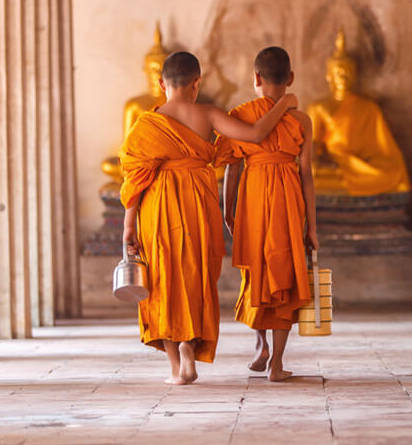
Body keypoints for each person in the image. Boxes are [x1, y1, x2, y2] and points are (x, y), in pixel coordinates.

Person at [121, 51, 297, 385]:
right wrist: (284, 104)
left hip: (157, 206)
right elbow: (257, 134)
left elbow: (135, 178)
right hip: (198, 205)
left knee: (161, 279)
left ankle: (178, 365)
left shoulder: (146, 124)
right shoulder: (209, 114)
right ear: (197, 83)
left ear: (161, 84)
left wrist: (129, 224)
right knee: (195, 275)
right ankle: (191, 341)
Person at [217, 46, 318, 382]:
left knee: (257, 272)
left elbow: (231, 168)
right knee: (284, 275)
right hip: (289, 199)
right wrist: (313, 227)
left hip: (254, 197)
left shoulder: (241, 114)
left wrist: (227, 210)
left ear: (256, 78)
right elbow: (307, 175)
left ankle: (259, 344)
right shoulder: (301, 119)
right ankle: (276, 363)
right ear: (290, 78)